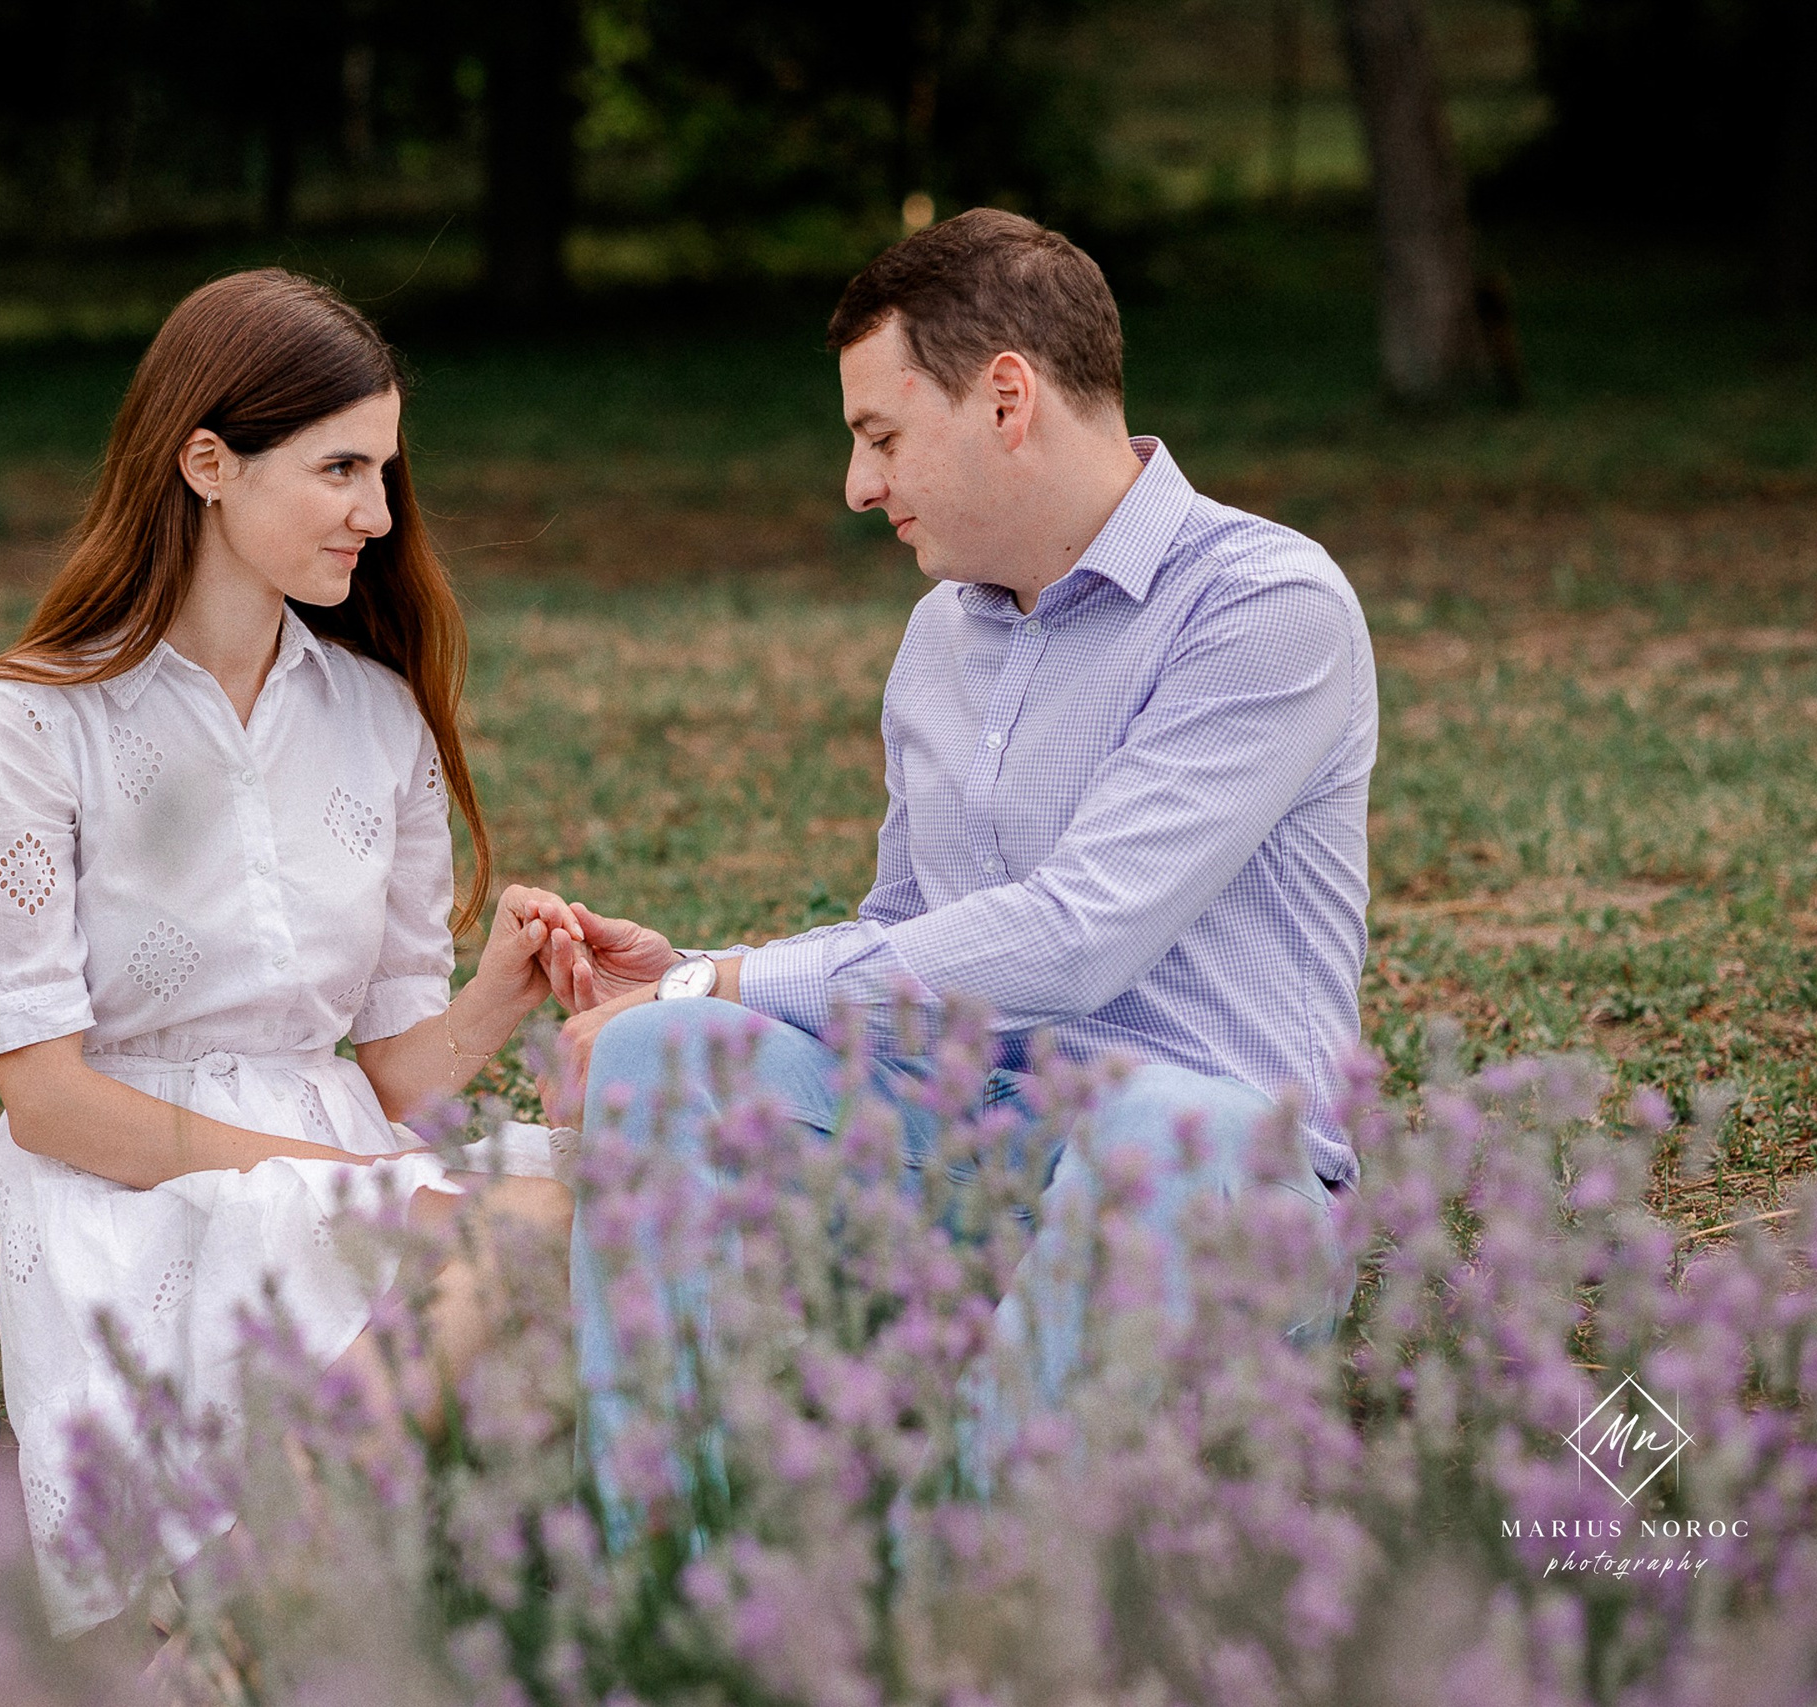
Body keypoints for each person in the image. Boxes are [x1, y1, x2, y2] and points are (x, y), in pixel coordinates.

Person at [546, 209, 1378, 1466]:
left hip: (1204, 1174)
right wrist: (702, 986)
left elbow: (1074, 938)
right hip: (962, 1157)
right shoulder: (943, 632)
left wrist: (733, 977)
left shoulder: (1262, 604)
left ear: (1005, 399)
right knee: (664, 1055)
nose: (856, 485)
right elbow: (909, 935)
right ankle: (676, 1554)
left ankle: (974, 1568)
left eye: (880, 436)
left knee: (1153, 1130)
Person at [0, 270, 575, 1640]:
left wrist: (498, 992)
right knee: (521, 1227)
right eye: (340, 468)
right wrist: (331, 1183)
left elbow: (389, 1076)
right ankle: (286, 1568)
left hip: (337, 1150)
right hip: (129, 1182)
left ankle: (296, 1559)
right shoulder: (31, 726)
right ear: (207, 462)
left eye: (384, 470)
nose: (378, 514)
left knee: (616, 1197)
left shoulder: (378, 715)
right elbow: (47, 1099)